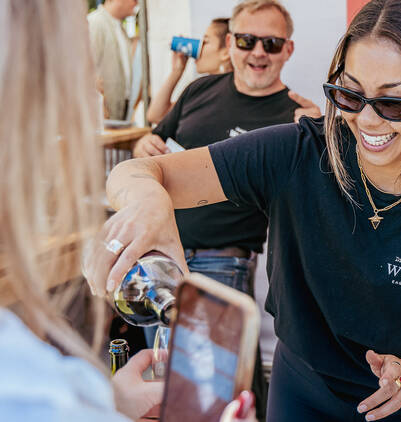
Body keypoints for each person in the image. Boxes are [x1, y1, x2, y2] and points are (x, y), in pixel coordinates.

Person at [85, 0, 401, 420]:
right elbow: (138, 171)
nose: (367, 121)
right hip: (300, 394)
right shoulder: (296, 153)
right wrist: (149, 204)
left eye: (393, 103)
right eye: (349, 94)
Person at [0, 1, 257, 421]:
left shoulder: (292, 117)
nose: (96, 89)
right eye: (83, 67)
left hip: (212, 259)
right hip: (163, 255)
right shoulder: (42, 395)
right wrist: (148, 186)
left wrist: (111, 402)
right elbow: (145, 146)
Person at [133, 0, 321, 417]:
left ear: (288, 50)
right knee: (157, 391)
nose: (258, 52)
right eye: (247, 40)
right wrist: (144, 146)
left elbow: (314, 204)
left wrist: (316, 147)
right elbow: (154, 143)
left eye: (271, 43)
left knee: (205, 401)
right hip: (159, 260)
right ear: (231, 43)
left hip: (220, 268)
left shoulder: (297, 118)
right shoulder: (200, 90)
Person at [146, 18, 233, 125]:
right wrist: (177, 71)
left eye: (205, 42)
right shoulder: (200, 89)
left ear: (226, 52)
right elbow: (156, 116)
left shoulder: (235, 92)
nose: (198, 48)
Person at [88, 0, 138, 121]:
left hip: (119, 113)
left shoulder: (121, 28)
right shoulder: (95, 23)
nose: (136, 4)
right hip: (100, 116)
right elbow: (85, 70)